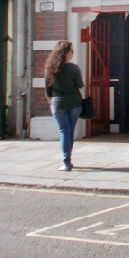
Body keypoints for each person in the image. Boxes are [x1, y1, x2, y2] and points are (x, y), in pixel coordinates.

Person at [44, 40, 84, 171]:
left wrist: (51, 103)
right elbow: (80, 86)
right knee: (69, 132)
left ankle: (66, 162)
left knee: (64, 132)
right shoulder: (73, 68)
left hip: (58, 103)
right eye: (71, 51)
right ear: (66, 53)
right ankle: (68, 160)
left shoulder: (49, 68)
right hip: (74, 103)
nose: (73, 53)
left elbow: (47, 90)